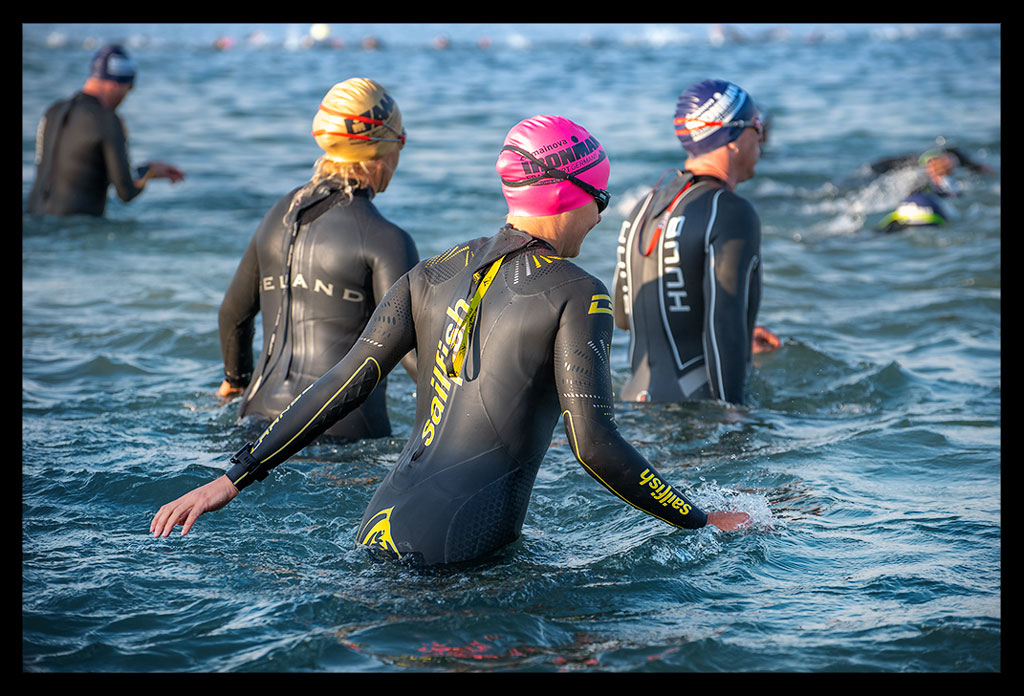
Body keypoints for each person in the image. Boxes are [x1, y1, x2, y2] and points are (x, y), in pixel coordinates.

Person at [151, 114, 751, 565]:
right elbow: (593, 446)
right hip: (457, 550)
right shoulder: (578, 292)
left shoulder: (430, 273)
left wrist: (233, 477)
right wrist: (699, 521)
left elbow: (340, 383)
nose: (599, 215)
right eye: (599, 197)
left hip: (378, 525)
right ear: (566, 193)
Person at [216, 78, 419, 441]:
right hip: (344, 437)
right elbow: (414, 357)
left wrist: (235, 382)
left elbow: (233, 315)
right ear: (385, 146)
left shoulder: (278, 215)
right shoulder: (387, 240)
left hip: (255, 424)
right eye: (401, 141)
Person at [612, 78, 772, 406]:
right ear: (732, 137)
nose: (761, 138)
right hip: (696, 408)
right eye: (756, 126)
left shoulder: (643, 207)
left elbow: (624, 314)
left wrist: (742, 332)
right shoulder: (730, 211)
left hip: (634, 400)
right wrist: (732, 413)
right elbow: (723, 324)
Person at [25, 44, 185, 217]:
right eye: (129, 88)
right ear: (116, 84)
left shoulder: (53, 111)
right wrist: (149, 171)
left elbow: (79, 173)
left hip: (33, 216)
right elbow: (126, 191)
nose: (126, 96)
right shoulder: (107, 120)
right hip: (77, 228)